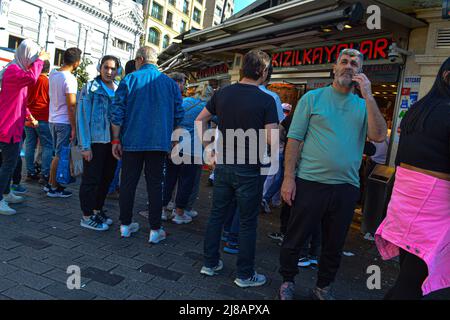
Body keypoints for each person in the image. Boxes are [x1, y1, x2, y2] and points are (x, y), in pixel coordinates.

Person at [278, 48, 387, 300]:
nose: (349, 66)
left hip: (346, 187)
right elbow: (294, 139)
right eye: (344, 62)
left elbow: (379, 136)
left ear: (360, 71)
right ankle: (287, 281)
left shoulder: (363, 105)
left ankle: (323, 287)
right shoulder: (312, 98)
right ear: (335, 67)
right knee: (296, 236)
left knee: (334, 243)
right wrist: (288, 178)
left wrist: (369, 95)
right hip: (309, 182)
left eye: (355, 63)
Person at [196, 49, 279, 288]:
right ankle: (244, 275)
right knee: (247, 222)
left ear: (242, 69)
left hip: (222, 165)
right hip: (249, 169)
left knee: (216, 216)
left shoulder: (223, 93)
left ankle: (210, 264)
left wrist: (208, 149)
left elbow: (200, 120)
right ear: (263, 71)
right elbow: (273, 139)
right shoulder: (267, 100)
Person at [375, 57, 450, 300]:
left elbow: (402, 157)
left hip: (405, 201)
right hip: (431, 209)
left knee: (409, 277)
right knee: (411, 284)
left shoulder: (419, 109)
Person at [110, 46, 184, 242]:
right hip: (159, 142)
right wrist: (173, 141)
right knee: (155, 185)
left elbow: (117, 112)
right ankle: (154, 229)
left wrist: (116, 139)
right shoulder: (169, 84)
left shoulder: (129, 79)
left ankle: (125, 225)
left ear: (140, 60)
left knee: (128, 183)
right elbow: (179, 114)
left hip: (132, 140)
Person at [0, 39, 50, 215]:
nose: (35, 60)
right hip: (8, 126)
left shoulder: (16, 70)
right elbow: (32, 78)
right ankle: (0, 198)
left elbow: (19, 100)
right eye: (33, 56)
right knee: (8, 164)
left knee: (10, 163)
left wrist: (29, 116)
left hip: (13, 124)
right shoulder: (14, 71)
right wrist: (40, 61)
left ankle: (6, 193)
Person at [77, 55, 122, 231]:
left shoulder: (119, 89)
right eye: (106, 67)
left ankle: (97, 210)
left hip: (113, 142)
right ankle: (86, 216)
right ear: (99, 67)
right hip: (95, 141)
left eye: (113, 68)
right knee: (91, 179)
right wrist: (85, 146)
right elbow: (82, 117)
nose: (109, 71)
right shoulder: (90, 88)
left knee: (106, 178)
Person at [162, 83, 210, 224]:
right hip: (193, 150)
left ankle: (163, 210)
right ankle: (179, 213)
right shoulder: (206, 108)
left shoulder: (185, 101)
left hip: (176, 145)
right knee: (186, 182)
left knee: (169, 179)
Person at [47, 47, 82, 198]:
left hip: (52, 119)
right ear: (77, 63)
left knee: (56, 153)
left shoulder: (54, 73)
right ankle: (54, 187)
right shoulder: (70, 79)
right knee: (59, 154)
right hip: (64, 122)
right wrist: (74, 126)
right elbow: (72, 105)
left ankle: (51, 183)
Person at [106, 59, 136, 200]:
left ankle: (112, 186)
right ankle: (112, 187)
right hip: (125, 129)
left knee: (116, 160)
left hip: (117, 129)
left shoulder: (123, 84)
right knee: (119, 160)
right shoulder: (130, 84)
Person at [24, 60, 53, 186]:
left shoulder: (30, 80)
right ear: (48, 69)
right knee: (47, 145)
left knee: (30, 145)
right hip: (43, 117)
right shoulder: (48, 82)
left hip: (28, 117)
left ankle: (30, 172)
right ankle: (45, 174)